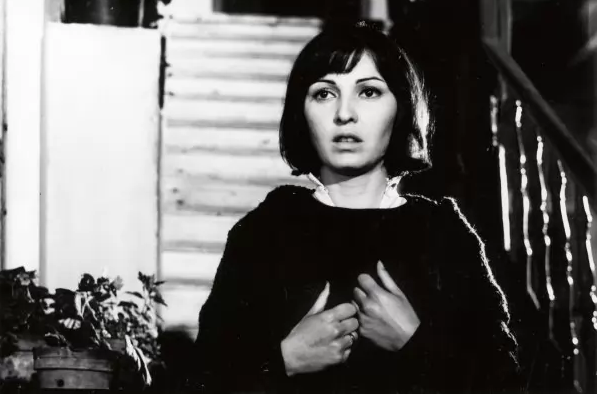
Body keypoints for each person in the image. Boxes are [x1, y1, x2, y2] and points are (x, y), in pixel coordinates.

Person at [188, 22, 520, 394]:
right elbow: (204, 380)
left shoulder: (443, 233)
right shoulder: (264, 232)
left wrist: (416, 343)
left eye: (368, 92)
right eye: (324, 93)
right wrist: (284, 361)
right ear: (301, 112)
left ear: (401, 107)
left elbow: (505, 382)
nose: (344, 113)